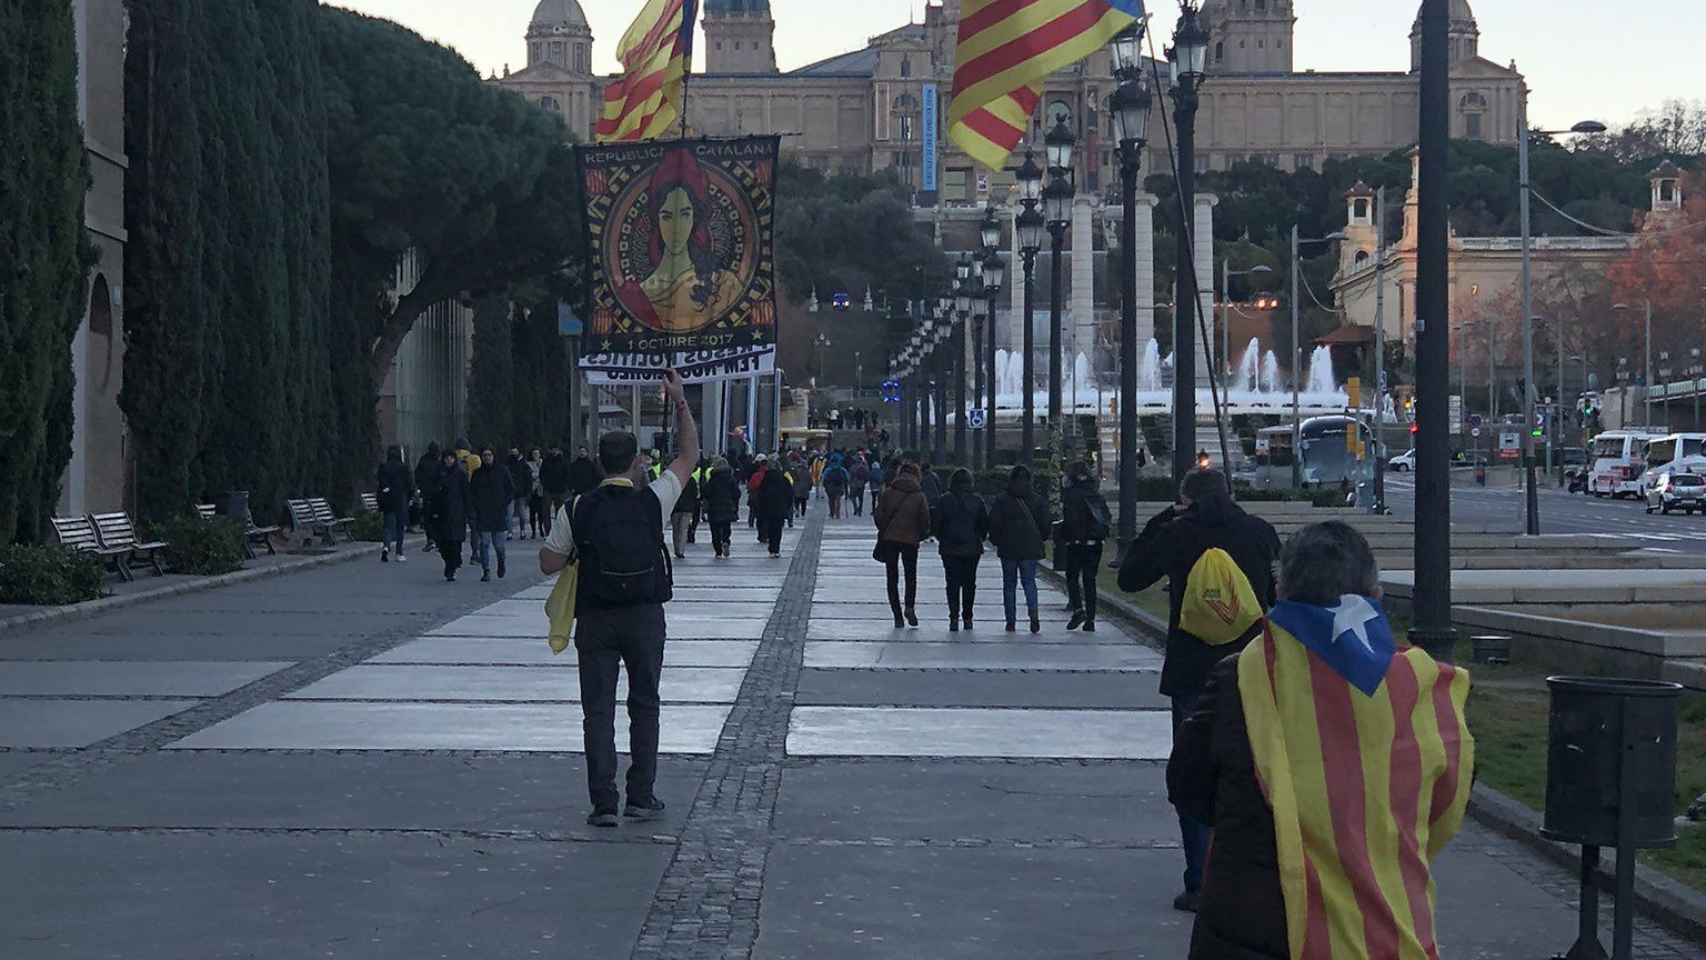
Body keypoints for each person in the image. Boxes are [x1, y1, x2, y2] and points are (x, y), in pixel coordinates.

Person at [1167, 522, 1472, 958]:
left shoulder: (1242, 676)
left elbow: (1188, 788)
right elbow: (1447, 801)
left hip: (1255, 925)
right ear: (1375, 594)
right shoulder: (1421, 686)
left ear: (1280, 590)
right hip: (1380, 928)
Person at [539, 369, 698, 828]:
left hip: (596, 618)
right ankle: (641, 795)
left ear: (599, 463)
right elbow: (689, 454)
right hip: (646, 616)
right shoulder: (654, 499)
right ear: (634, 463)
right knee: (645, 703)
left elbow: (548, 563)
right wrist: (680, 401)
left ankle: (604, 801)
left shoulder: (578, 507)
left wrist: (573, 554)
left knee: (598, 710)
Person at [1118, 466, 1281, 913]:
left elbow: (1129, 578)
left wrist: (1161, 521)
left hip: (1194, 671)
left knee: (1195, 771)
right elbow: (1272, 595)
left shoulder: (1178, 533)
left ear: (1186, 499)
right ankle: (1251, 877)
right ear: (1228, 493)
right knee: (1255, 771)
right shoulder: (1259, 532)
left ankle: (1201, 880)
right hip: (1251, 668)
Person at [987, 464, 1050, 634]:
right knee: (1029, 582)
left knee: (1009, 585)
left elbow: (994, 524)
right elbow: (1045, 526)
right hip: (1030, 548)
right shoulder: (1037, 500)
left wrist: (997, 541)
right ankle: (1033, 614)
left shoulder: (1002, 500)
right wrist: (1039, 539)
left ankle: (1011, 621)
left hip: (1008, 548)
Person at [874, 460, 930, 629]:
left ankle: (897, 615)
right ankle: (909, 607)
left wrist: (884, 528)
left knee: (892, 577)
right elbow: (925, 521)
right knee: (910, 576)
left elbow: (878, 515)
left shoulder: (888, 492)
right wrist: (919, 534)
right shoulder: (919, 495)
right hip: (910, 540)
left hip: (890, 539)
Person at [931, 467, 988, 631]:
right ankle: (968, 617)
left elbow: (936, 525)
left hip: (949, 548)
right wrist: (978, 538)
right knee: (970, 583)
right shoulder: (977, 501)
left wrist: (943, 538)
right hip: (972, 547)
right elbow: (984, 524)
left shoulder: (944, 500)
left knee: (952, 583)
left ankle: (954, 617)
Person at [1059, 460, 1111, 632]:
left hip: (1076, 542)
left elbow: (1069, 519)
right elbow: (1106, 516)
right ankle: (1091, 619)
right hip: (1095, 542)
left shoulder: (1070, 495)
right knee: (1090, 580)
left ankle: (1078, 609)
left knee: (1072, 577)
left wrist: (1067, 536)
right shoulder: (1095, 493)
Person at [469, 448, 515, 582]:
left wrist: (504, 503)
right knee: (484, 544)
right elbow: (472, 493)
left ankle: (501, 562)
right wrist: (475, 508)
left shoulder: (502, 471)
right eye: (484, 455)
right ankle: (486, 570)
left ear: (493, 456)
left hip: (499, 513)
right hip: (483, 514)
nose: (487, 458)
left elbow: (510, 489)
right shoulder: (477, 474)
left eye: (489, 455)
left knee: (499, 546)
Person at [431, 449, 469, 582]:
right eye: (446, 458)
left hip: (457, 512)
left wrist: (468, 511)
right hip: (441, 513)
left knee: (455, 541)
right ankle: (450, 561)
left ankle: (451, 568)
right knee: (442, 542)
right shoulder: (438, 473)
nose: (449, 460)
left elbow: (466, 494)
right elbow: (433, 492)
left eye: (451, 458)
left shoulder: (460, 474)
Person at [376, 445, 414, 564]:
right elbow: (409, 484)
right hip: (400, 499)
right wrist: (411, 497)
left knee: (388, 527)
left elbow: (381, 482)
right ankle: (399, 552)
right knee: (399, 527)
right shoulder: (403, 468)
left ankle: (386, 547)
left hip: (388, 501)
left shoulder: (384, 467)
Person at [756, 453, 794, 558]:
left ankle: (771, 549)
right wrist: (787, 506)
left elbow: (761, 494)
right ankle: (776, 549)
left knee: (770, 528)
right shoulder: (784, 479)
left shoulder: (766, 479)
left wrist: (760, 506)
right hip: (780, 508)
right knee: (778, 529)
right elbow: (790, 494)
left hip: (768, 508)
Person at [702, 457, 741, 559]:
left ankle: (718, 551)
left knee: (715, 530)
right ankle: (726, 540)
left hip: (714, 508)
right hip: (727, 507)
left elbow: (706, 492)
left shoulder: (713, 479)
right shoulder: (731, 478)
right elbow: (737, 493)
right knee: (726, 527)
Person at [413, 442, 443, 555]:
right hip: (436, 494)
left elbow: (417, 475)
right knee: (437, 518)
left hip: (427, 493)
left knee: (428, 518)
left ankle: (431, 539)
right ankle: (437, 540)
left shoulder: (423, 461)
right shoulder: (439, 462)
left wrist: (420, 486)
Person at [670, 463, 701, 559]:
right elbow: (695, 495)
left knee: (675, 530)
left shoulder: (674, 481)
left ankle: (676, 549)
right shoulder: (691, 481)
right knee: (683, 529)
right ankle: (681, 550)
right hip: (687, 508)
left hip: (675, 508)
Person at [507, 448, 533, 540]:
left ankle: (522, 530)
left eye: (515, 451)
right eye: (512, 451)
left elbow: (529, 480)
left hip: (522, 493)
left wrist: (528, 492)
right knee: (509, 514)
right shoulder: (508, 464)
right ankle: (510, 532)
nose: (513, 453)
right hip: (511, 493)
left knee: (522, 514)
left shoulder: (524, 465)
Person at [526, 448, 547, 539]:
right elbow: (529, 476)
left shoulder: (544, 463)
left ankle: (541, 529)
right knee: (532, 513)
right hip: (532, 491)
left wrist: (536, 475)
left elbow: (545, 475)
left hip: (542, 491)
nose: (535, 455)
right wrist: (538, 476)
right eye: (534, 453)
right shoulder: (528, 464)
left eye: (537, 453)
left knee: (541, 512)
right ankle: (533, 531)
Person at [822, 454, 850, 519]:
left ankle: (832, 513)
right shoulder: (842, 469)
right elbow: (847, 478)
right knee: (838, 500)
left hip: (830, 487)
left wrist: (825, 487)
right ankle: (838, 514)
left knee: (831, 500)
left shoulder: (828, 469)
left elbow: (824, 479)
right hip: (839, 486)